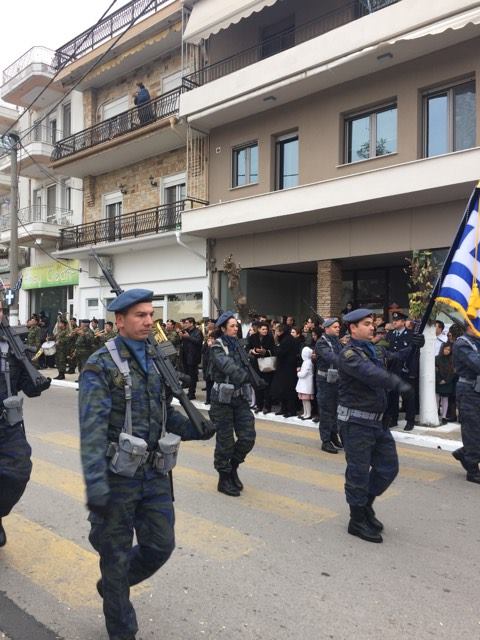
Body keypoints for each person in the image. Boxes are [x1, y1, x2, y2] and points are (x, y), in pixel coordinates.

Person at [79, 289, 214, 640]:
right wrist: (96, 486)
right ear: (119, 321)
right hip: (117, 478)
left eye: (150, 314)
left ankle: (113, 585)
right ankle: (122, 625)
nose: (148, 321)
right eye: (140, 315)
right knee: (116, 556)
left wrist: (196, 428)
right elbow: (91, 431)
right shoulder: (100, 364)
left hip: (154, 475)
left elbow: (164, 414)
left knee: (160, 545)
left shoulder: (155, 360)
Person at [337, 308, 424, 543]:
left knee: (388, 467)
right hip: (356, 423)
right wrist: (398, 384)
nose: (372, 326)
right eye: (366, 323)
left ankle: (365, 504)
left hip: (377, 423)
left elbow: (395, 358)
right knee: (358, 472)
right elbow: (372, 374)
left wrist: (414, 345)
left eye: (372, 323)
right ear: (353, 328)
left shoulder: (375, 350)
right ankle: (356, 519)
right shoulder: (349, 355)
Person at [0, 307, 51, 547]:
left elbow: (27, 388)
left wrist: (37, 380)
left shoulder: (10, 346)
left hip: (7, 427)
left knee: (18, 473)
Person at [209, 311, 256, 497]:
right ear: (222, 329)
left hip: (240, 399)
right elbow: (226, 365)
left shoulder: (238, 345)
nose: (236, 329)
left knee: (247, 438)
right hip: (222, 402)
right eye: (232, 326)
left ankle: (233, 467)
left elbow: (247, 363)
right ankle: (223, 477)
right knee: (225, 442)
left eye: (237, 326)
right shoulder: (216, 347)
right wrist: (246, 377)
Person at [451, 325, 480, 484]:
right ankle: (473, 470)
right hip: (469, 391)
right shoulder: (462, 343)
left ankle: (465, 452)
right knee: (473, 429)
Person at [384, 311, 417, 430]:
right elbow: (384, 349)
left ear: (403, 322)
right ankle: (393, 418)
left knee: (408, 395)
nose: (394, 322)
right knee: (392, 395)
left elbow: (412, 352)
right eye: (393, 320)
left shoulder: (411, 334)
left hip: (406, 369)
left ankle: (410, 420)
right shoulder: (390, 335)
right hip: (392, 369)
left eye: (396, 321)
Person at [315, 318, 343, 453]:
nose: (338, 328)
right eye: (335, 327)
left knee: (336, 410)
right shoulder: (321, 343)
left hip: (337, 381)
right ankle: (325, 441)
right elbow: (331, 357)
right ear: (327, 329)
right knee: (326, 411)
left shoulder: (337, 341)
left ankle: (333, 435)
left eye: (338, 327)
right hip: (325, 382)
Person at [271, 324, 299, 418]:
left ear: (282, 331)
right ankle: (284, 409)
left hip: (287, 368)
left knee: (288, 389)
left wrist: (275, 342)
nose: (276, 333)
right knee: (282, 389)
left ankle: (291, 410)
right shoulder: (286, 339)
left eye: (277, 331)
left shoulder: (287, 340)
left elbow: (279, 352)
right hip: (285, 368)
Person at [247, 321, 275, 414]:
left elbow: (273, 350)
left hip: (266, 364)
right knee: (257, 385)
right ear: (258, 329)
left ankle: (267, 406)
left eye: (266, 329)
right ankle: (259, 405)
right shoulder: (253, 337)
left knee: (267, 386)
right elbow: (248, 348)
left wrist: (265, 351)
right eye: (263, 329)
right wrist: (253, 351)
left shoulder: (270, 338)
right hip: (256, 363)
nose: (265, 331)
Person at [180, 317, 203, 399]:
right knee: (188, 376)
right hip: (186, 356)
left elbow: (198, 342)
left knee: (192, 376)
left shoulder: (198, 332)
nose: (185, 324)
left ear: (191, 323)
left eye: (186, 323)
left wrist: (188, 337)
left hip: (193, 357)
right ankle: (189, 392)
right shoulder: (187, 332)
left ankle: (192, 393)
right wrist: (182, 337)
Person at [435, 342, 456, 425]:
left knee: (445, 400)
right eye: (445, 349)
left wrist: (446, 380)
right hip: (438, 382)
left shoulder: (452, 360)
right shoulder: (437, 358)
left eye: (449, 350)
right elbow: (435, 371)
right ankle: (436, 414)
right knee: (436, 399)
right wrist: (439, 380)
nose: (447, 351)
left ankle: (444, 417)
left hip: (447, 383)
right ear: (442, 349)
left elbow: (453, 373)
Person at [296, 346, 314, 419]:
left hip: (306, 385)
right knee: (304, 400)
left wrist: (298, 372)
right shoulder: (307, 362)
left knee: (306, 400)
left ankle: (308, 414)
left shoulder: (307, 362)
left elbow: (303, 374)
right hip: (305, 385)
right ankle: (305, 413)